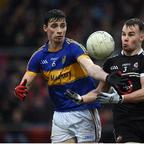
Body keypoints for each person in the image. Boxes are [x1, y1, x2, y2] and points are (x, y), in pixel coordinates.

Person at [14, 9, 120, 143]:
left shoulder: (74, 48)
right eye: (54, 26)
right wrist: (20, 88)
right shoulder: (38, 56)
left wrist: (106, 77)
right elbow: (26, 81)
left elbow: (92, 68)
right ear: (45, 28)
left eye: (62, 26)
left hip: (84, 111)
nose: (59, 30)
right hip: (59, 115)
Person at [65, 18, 144, 143]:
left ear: (141, 37)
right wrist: (81, 98)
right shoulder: (111, 63)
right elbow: (99, 92)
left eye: (131, 34)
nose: (125, 38)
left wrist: (120, 98)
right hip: (124, 125)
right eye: (123, 34)